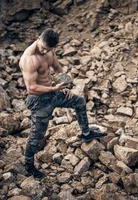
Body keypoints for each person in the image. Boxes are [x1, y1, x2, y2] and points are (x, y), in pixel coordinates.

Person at [19, 28, 104, 179]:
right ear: (39, 38)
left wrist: (64, 84)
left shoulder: (50, 52)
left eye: (48, 49)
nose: (44, 51)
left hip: (54, 92)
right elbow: (31, 87)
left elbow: (57, 68)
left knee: (79, 101)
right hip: (39, 100)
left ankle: (86, 133)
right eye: (43, 47)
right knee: (36, 136)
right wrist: (54, 88)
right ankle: (29, 166)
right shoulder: (29, 59)